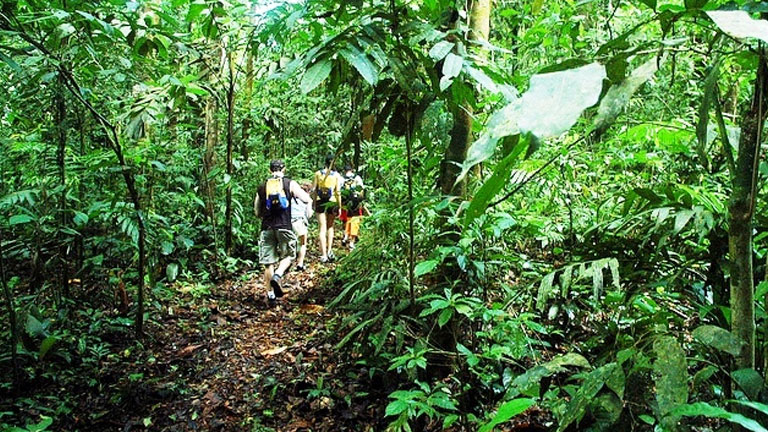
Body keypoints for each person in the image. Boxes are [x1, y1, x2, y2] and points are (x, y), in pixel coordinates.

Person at [254, 159, 312, 306]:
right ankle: (278, 274)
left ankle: (270, 295)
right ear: (284, 169)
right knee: (289, 255)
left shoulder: (262, 187)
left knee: (268, 263)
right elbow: (305, 198)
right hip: (284, 226)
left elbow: (256, 211)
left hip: (267, 227)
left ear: (269, 170)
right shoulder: (289, 183)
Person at [312, 154, 343, 263]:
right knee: (330, 226)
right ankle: (329, 250)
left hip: (320, 201)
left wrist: (314, 202)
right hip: (332, 202)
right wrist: (339, 206)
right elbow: (338, 192)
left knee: (322, 228)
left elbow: (314, 190)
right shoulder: (336, 176)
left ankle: (323, 255)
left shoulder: (318, 174)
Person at [291, 181, 313, 271]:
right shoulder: (307, 199)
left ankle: (290, 263)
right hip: (300, 223)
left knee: (292, 244)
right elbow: (309, 214)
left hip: (289, 223)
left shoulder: (291, 198)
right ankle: (300, 263)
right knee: (303, 244)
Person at [340, 165, 364, 246]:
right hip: (356, 201)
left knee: (347, 219)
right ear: (352, 170)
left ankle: (346, 235)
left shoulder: (342, 178)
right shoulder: (357, 178)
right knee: (356, 219)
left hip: (346, 202)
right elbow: (361, 190)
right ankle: (352, 240)